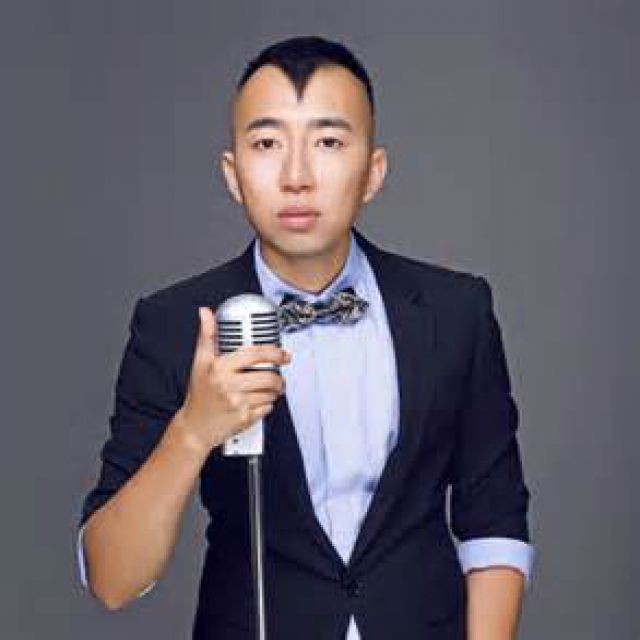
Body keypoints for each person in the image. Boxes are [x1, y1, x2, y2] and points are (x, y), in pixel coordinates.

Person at [76, 35, 535, 639]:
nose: (296, 176)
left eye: (328, 142)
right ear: (233, 174)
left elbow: (494, 520)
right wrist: (192, 431)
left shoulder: (455, 311)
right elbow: (112, 579)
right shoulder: (175, 322)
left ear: (372, 172)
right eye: (267, 144)